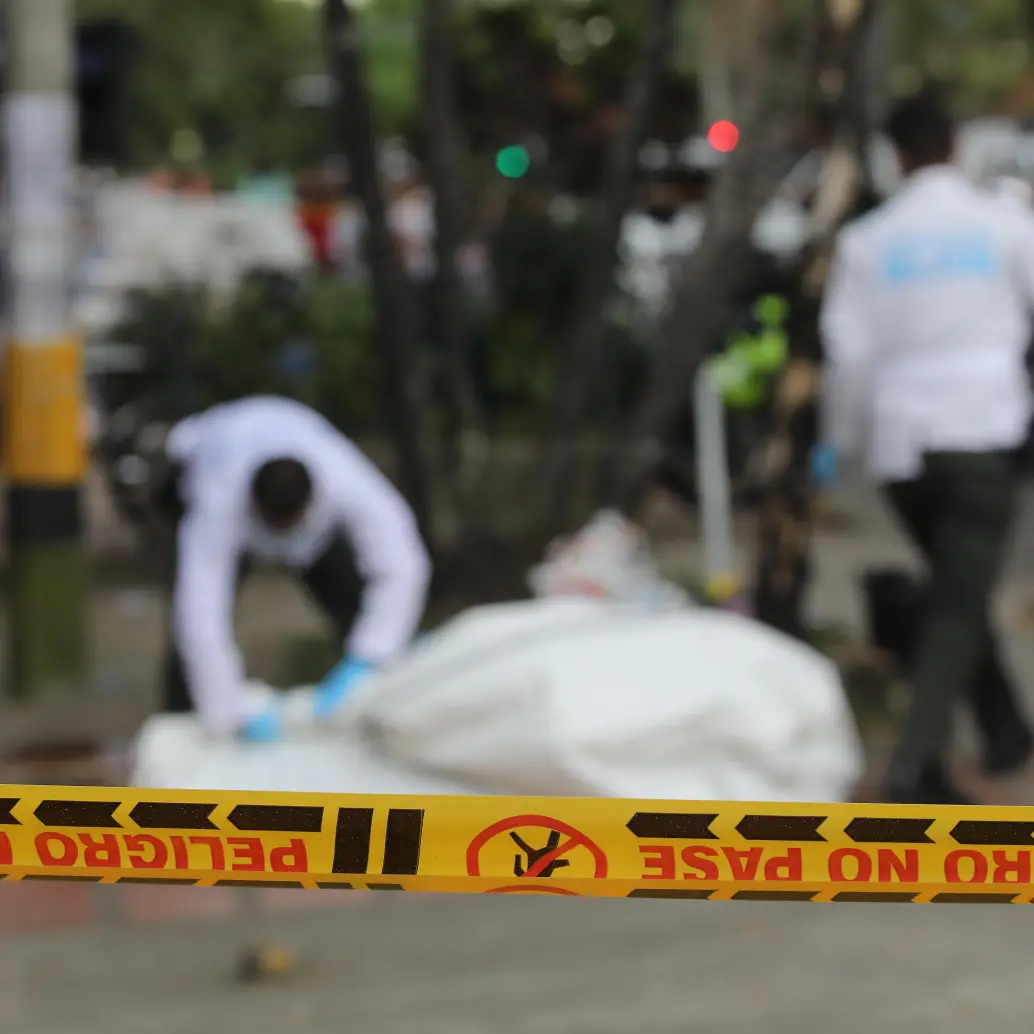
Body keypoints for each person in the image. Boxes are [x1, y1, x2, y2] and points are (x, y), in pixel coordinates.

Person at [820, 92, 1034, 804]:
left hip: (901, 447)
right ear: (956, 146)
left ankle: (1006, 733)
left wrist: (840, 443)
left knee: (957, 590)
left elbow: (847, 354)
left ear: (896, 155)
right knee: (957, 602)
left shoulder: (867, 240)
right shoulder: (1005, 226)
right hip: (984, 435)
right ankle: (917, 761)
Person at [159, 396, 432, 741]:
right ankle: (184, 727)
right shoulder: (218, 502)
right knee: (183, 644)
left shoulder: (344, 479)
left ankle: (379, 697)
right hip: (209, 453)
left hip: (301, 457)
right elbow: (200, 613)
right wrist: (225, 713)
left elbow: (402, 565)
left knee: (360, 608)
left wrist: (370, 655)